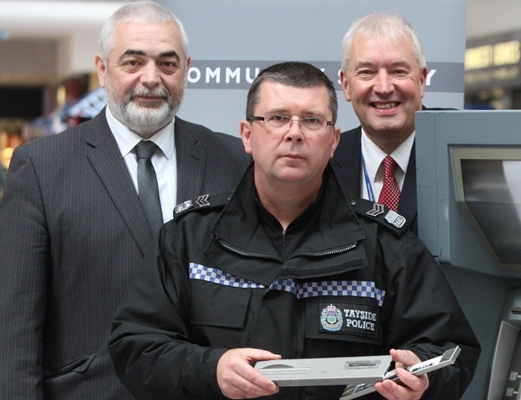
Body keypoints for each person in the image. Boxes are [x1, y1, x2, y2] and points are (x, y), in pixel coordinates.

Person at [108, 61, 480, 400]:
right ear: (247, 135)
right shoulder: (188, 238)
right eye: (278, 118)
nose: (294, 133)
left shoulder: (384, 245)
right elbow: (136, 345)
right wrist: (212, 369)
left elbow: (451, 351)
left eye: (312, 120)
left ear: (334, 140)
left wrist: (425, 382)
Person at [0, 2, 250, 399]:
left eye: (167, 65)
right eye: (132, 63)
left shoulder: (234, 160)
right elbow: (14, 327)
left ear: (186, 68)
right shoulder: (42, 167)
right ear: (102, 68)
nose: (151, 79)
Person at [331, 12, 432, 234]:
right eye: (367, 72)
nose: (384, 88)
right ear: (346, 85)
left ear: (422, 80)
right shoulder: (324, 162)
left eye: (398, 71)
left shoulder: (458, 151)